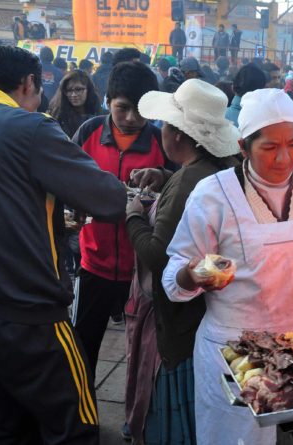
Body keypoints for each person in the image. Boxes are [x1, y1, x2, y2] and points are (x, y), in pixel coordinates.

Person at [0, 45, 126, 444]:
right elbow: (107, 199)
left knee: (4, 423)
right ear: (29, 83)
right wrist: (136, 198)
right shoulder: (31, 126)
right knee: (76, 424)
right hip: (34, 316)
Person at [162, 88, 293, 445]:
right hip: (236, 353)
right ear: (243, 147)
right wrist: (193, 274)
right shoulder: (212, 194)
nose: (284, 158)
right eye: (269, 147)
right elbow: (174, 272)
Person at [121, 79, 241, 444]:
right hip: (209, 312)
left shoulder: (190, 178)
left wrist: (133, 216)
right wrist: (165, 176)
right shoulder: (216, 166)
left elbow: (159, 255)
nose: (160, 132)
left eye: (165, 126)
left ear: (177, 135)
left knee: (177, 420)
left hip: (179, 320)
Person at [71, 61, 166, 375]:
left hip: (141, 268)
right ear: (107, 100)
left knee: (143, 347)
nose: (131, 119)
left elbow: (182, 186)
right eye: (122, 108)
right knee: (83, 346)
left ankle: (138, 417)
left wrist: (164, 176)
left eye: (140, 110)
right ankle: (81, 416)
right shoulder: (89, 132)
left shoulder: (160, 140)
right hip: (93, 261)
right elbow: (65, 178)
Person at [48, 70, 102, 138]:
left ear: (88, 90)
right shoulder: (58, 117)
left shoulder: (100, 115)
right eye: (69, 90)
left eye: (78, 89)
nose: (73, 95)